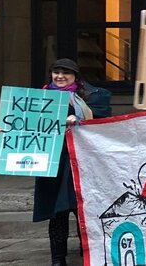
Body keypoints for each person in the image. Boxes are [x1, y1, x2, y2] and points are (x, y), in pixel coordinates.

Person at [33, 58, 112, 266]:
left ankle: (88, 255)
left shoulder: (92, 97)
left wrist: (79, 119)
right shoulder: (38, 99)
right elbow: (23, 124)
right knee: (56, 212)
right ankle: (58, 259)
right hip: (53, 163)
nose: (60, 76)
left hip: (81, 162)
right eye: (56, 72)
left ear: (75, 76)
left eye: (65, 72)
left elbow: (104, 122)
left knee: (83, 210)